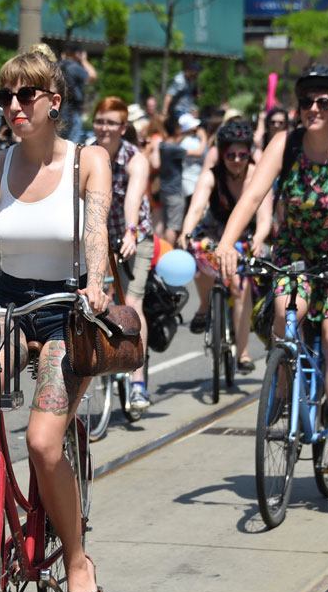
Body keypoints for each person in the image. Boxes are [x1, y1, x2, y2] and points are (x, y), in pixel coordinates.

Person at [0, 50, 112, 592]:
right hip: (9, 307)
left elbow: (96, 232)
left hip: (67, 312)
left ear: (53, 101)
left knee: (44, 443)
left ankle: (75, 559)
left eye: (26, 96)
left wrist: (95, 285)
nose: (14, 107)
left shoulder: (86, 161)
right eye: (5, 98)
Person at [214, 65, 328, 474]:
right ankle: (282, 380)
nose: (314, 108)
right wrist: (227, 241)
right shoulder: (285, 144)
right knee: (283, 313)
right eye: (307, 101)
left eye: (324, 102)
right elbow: (253, 195)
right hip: (296, 250)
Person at [179, 119, 272, 371]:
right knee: (197, 253)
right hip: (215, 229)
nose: (237, 160)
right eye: (231, 154)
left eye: (243, 154)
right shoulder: (212, 175)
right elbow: (197, 206)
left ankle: (242, 352)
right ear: (222, 153)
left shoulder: (257, 176)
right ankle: (204, 304)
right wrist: (186, 232)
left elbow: (265, 218)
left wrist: (259, 239)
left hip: (247, 233)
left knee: (241, 288)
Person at [92, 96, 154, 409]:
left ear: (123, 127)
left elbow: (132, 199)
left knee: (131, 304)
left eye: (112, 123)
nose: (105, 128)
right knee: (92, 299)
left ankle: (139, 383)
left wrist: (130, 230)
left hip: (134, 237)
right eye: (100, 121)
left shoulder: (136, 159)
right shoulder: (85, 155)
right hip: (97, 237)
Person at [149, 115, 190, 246]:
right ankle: (167, 252)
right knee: (172, 226)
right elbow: (198, 152)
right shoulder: (174, 149)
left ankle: (160, 251)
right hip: (175, 191)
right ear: (177, 129)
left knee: (164, 222)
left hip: (163, 190)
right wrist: (204, 137)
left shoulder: (161, 146)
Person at [59, 44, 98, 142]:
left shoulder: (58, 65)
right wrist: (84, 60)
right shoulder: (74, 67)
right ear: (77, 54)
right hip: (72, 110)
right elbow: (93, 76)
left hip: (60, 108)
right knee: (73, 141)